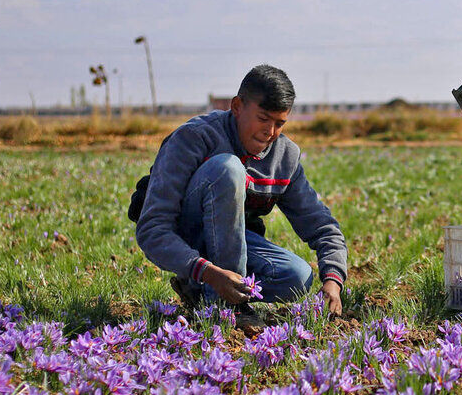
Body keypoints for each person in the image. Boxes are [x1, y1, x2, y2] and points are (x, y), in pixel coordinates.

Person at [133, 64, 346, 326]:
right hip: (189, 238)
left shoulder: (284, 157)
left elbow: (323, 226)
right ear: (236, 107)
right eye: (263, 118)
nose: (270, 132)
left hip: (233, 242)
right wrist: (206, 271)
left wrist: (333, 281)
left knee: (297, 277)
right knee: (228, 168)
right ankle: (225, 305)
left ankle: (203, 294)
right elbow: (152, 229)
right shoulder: (194, 138)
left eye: (280, 123)